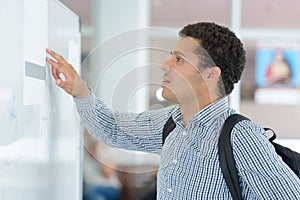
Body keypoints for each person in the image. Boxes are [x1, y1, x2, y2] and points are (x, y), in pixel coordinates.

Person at [46, 22, 300, 199]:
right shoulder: (170, 123)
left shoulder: (240, 136)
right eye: (170, 56)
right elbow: (111, 130)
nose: (165, 65)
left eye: (178, 59)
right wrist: (79, 89)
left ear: (211, 74)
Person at [83, 131, 121, 200]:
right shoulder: (82, 149)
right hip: (90, 189)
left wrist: (99, 152)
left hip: (109, 187)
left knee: (95, 194)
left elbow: (108, 175)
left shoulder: (110, 147)